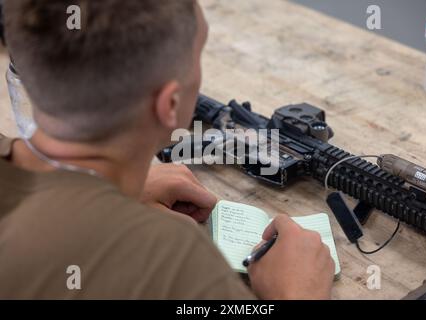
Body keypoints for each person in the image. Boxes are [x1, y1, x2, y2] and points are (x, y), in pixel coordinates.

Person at [0, 0, 335, 299]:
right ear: (170, 105)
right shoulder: (174, 265)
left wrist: (117, 191)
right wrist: (296, 292)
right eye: (199, 55)